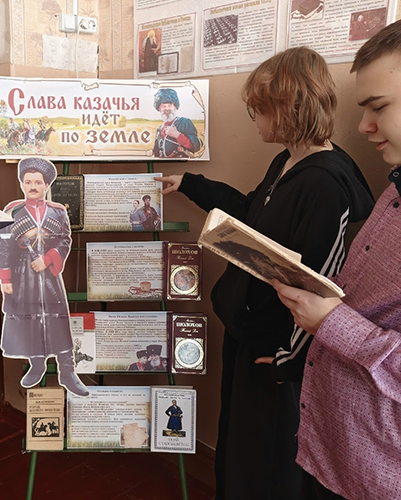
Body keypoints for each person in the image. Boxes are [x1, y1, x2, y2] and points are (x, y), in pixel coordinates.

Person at [155, 46, 375, 499]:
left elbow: (320, 286)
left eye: (258, 109)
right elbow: (252, 213)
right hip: (249, 332)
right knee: (241, 451)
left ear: (288, 108)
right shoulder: (287, 160)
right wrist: (192, 184)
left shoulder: (324, 183)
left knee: (268, 463)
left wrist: (286, 362)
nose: (253, 118)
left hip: (277, 352)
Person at [272, 7, 401, 499]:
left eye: (378, 106)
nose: (363, 126)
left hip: (393, 472)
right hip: (338, 445)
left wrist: (331, 323)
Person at [0, 157, 90, 397]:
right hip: (22, 276)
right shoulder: (12, 211)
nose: (33, 187)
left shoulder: (58, 212)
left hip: (50, 277)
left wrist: (48, 259)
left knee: (58, 320)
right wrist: (5, 279)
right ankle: (36, 365)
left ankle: (67, 372)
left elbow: (65, 240)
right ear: (22, 183)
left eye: (38, 182)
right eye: (28, 182)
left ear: (46, 184)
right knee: (30, 319)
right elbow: (4, 245)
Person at [152, 88, 203, 158]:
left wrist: (177, 135)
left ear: (175, 107)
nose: (167, 109)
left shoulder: (184, 122)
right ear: (159, 109)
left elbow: (197, 146)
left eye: (170, 105)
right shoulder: (159, 129)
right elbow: (156, 153)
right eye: (163, 106)